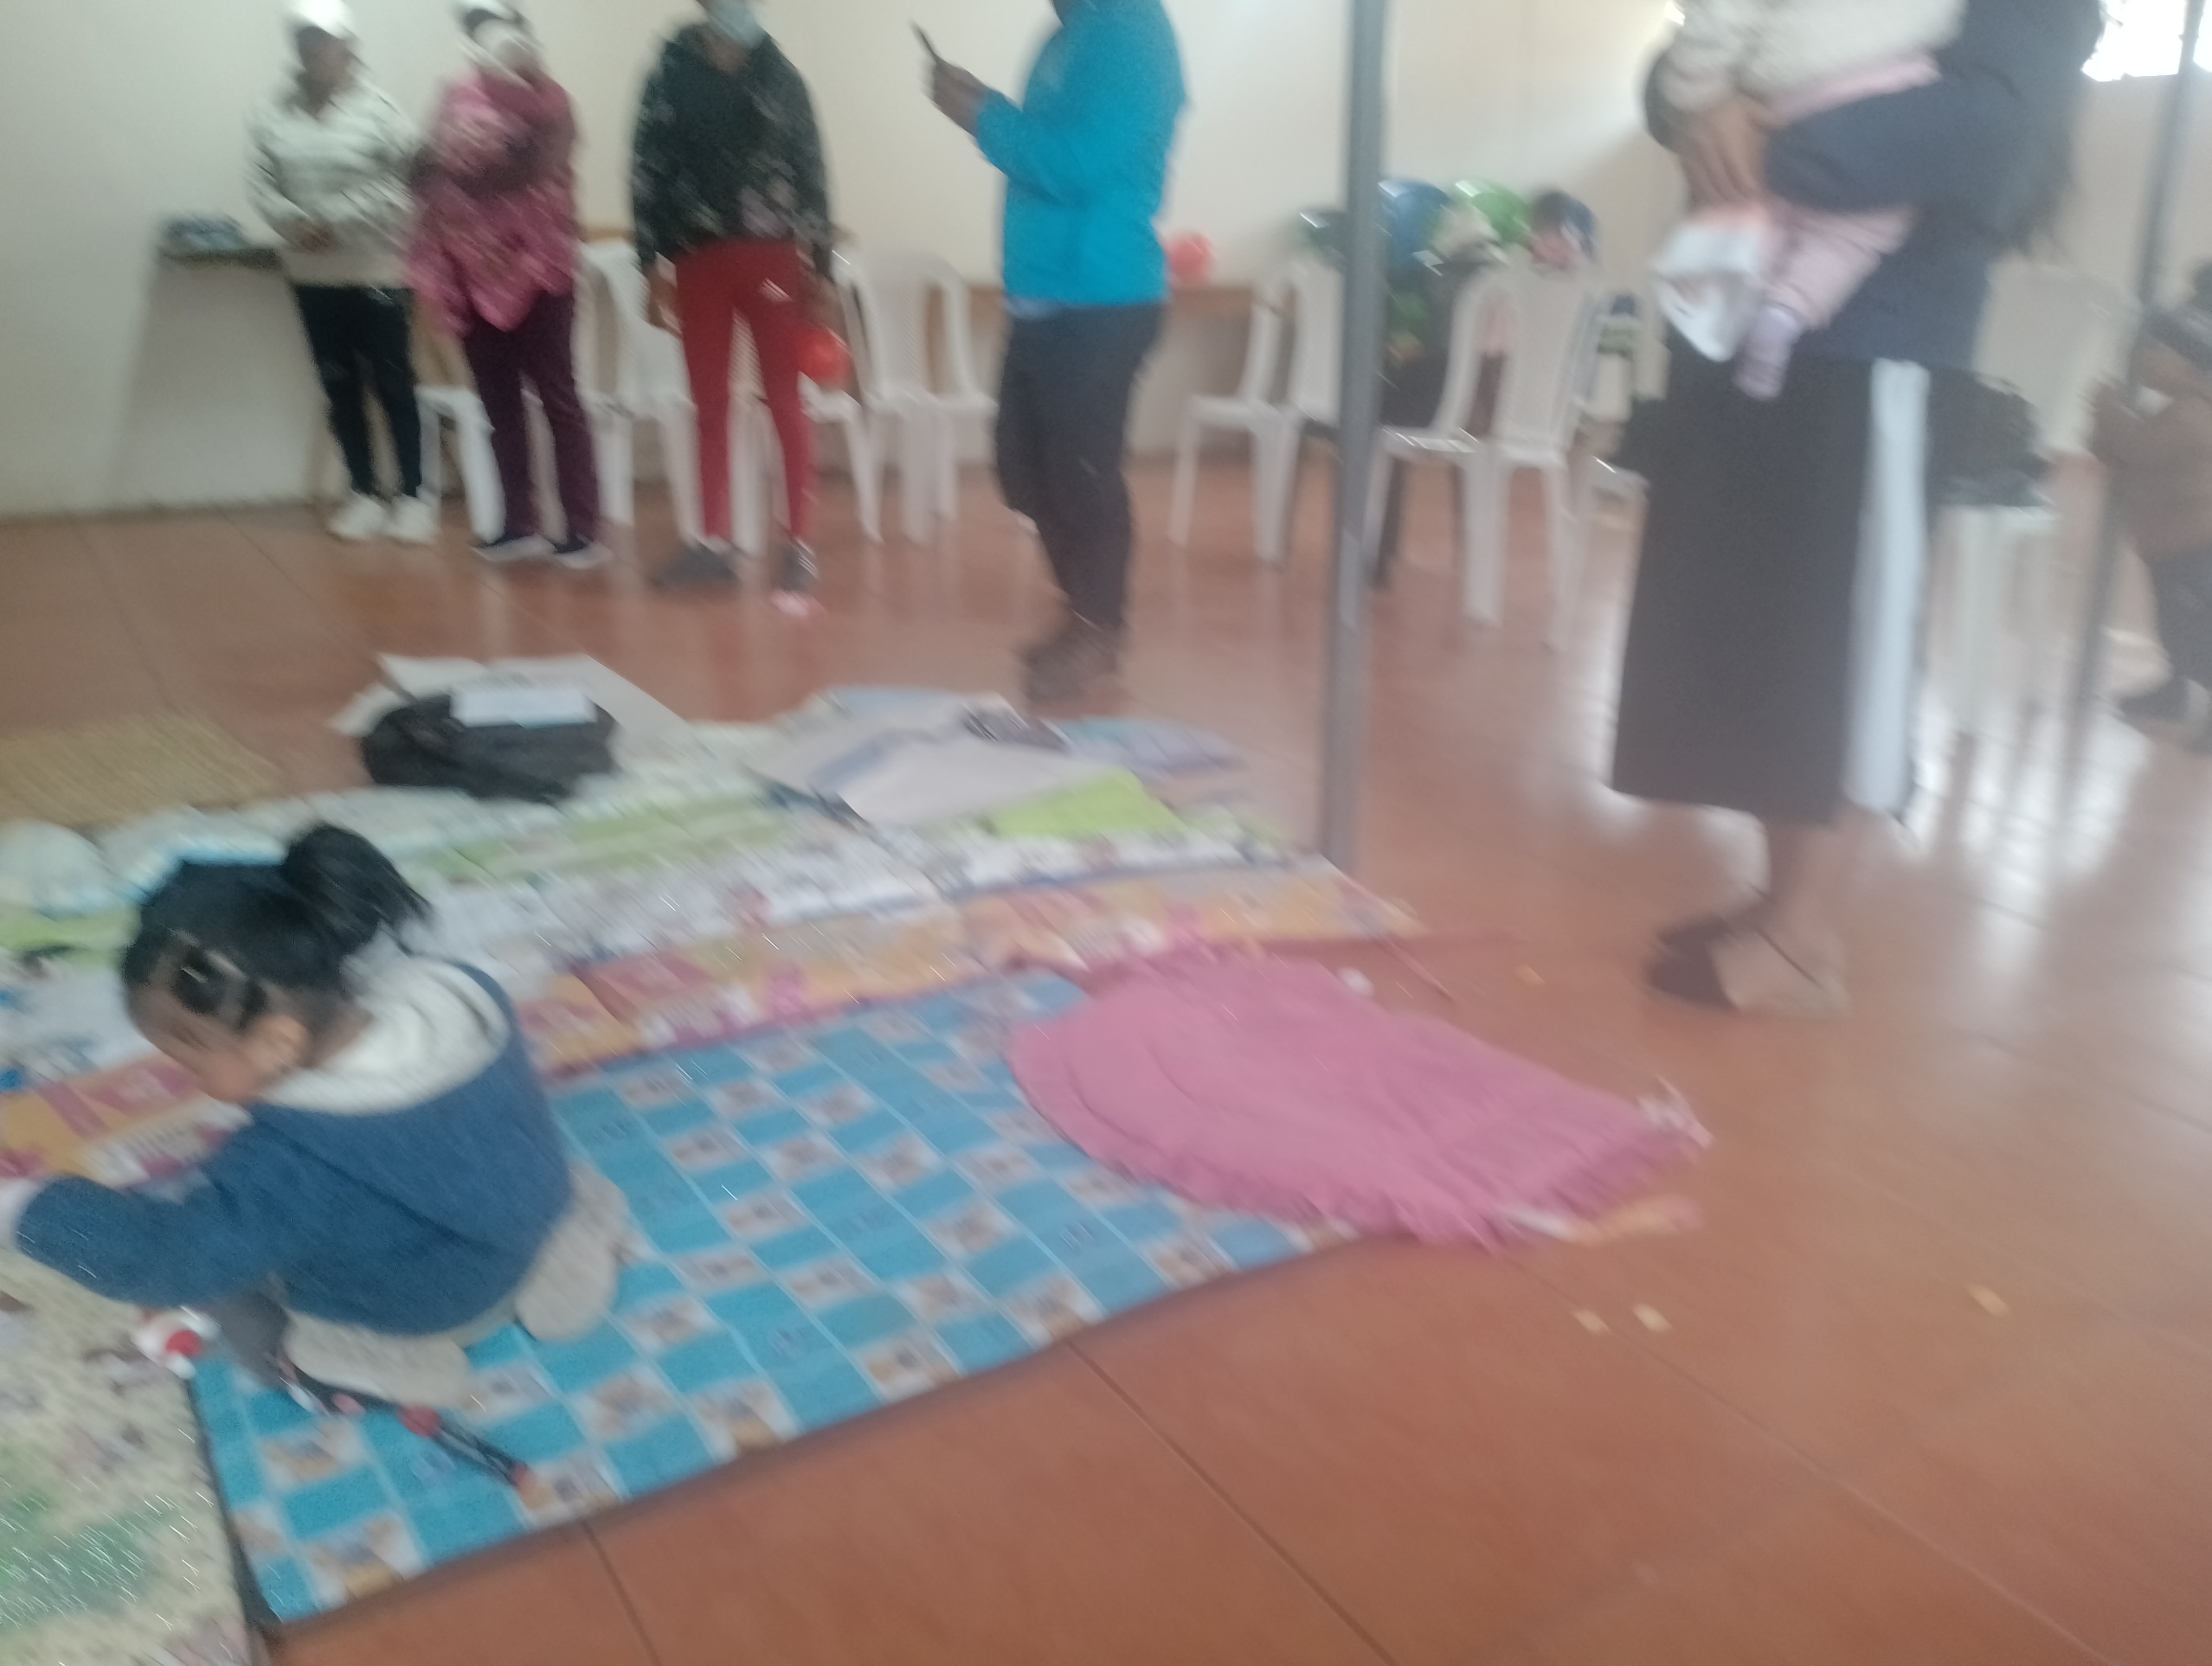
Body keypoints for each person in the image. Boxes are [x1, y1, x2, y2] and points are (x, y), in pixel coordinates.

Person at [1617, 0, 2101, 1017]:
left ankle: (1804, 943)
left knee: (1845, 631)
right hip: (1742, 305)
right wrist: (1698, 107)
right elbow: (1671, 72)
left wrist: (1759, 143)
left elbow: (1988, 133)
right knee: (1766, 634)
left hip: (1878, 333)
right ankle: (1778, 900)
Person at [0, 827, 625, 1407]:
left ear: (277, 1044)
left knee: (271, 1334)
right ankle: (562, 1262)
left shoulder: (288, 1163)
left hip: (433, 1301)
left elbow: (171, 1260)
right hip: (536, 1211)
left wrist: (29, 1207)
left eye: (190, 1058)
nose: (185, 1077)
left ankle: (403, 1367)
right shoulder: (463, 999)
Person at [929, 0, 1187, 704]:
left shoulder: (1133, 32)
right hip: (1042, 294)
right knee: (1023, 468)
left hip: (1103, 297)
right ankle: (1088, 614)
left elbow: (1076, 163)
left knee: (1082, 473)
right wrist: (986, 104)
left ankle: (1099, 627)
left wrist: (982, 117)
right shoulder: (1063, 37)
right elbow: (1042, 144)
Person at [1654, 0, 1963, 400]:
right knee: (1854, 237)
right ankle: (1788, 308)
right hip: (1898, 82)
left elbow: (1717, 15)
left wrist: (1701, 98)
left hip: (1787, 86)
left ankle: (1717, 284)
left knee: (1751, 201)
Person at [632, 0, 834, 596]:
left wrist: (822, 272)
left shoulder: (783, 78)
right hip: (698, 261)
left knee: (784, 399)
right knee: (710, 404)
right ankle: (712, 544)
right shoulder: (670, 73)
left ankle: (799, 544)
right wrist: (650, 265)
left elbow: (813, 173)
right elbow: (645, 169)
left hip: (774, 261)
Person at [410, 3, 605, 570]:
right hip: (471, 270)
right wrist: (446, 159)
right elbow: (417, 169)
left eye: (495, 28)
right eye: (475, 30)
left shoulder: (553, 102)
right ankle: (519, 524)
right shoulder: (454, 96)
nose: (486, 40)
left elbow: (532, 168)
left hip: (542, 270)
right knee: (499, 401)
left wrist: (460, 163)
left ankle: (583, 529)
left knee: (559, 399)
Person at [249, 0, 436, 546]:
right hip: (312, 274)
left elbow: (408, 185)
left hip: (378, 268)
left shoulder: (381, 110)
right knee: (339, 384)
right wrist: (293, 222)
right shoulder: (271, 112)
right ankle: (363, 492)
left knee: (394, 382)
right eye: (304, 40)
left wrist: (333, 221)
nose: (314, 50)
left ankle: (414, 496)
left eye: (325, 40)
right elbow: (261, 182)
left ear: (349, 46)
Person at [2093, 303, 2212, 747]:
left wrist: (2108, 413)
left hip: (2195, 546)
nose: (2141, 360)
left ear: (2187, 364)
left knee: (2197, 630)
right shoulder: (2175, 409)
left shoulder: (2194, 413)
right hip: (2170, 546)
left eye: (2153, 352)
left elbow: (2140, 450)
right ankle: (2175, 691)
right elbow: (2128, 456)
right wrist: (2108, 434)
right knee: (2176, 627)